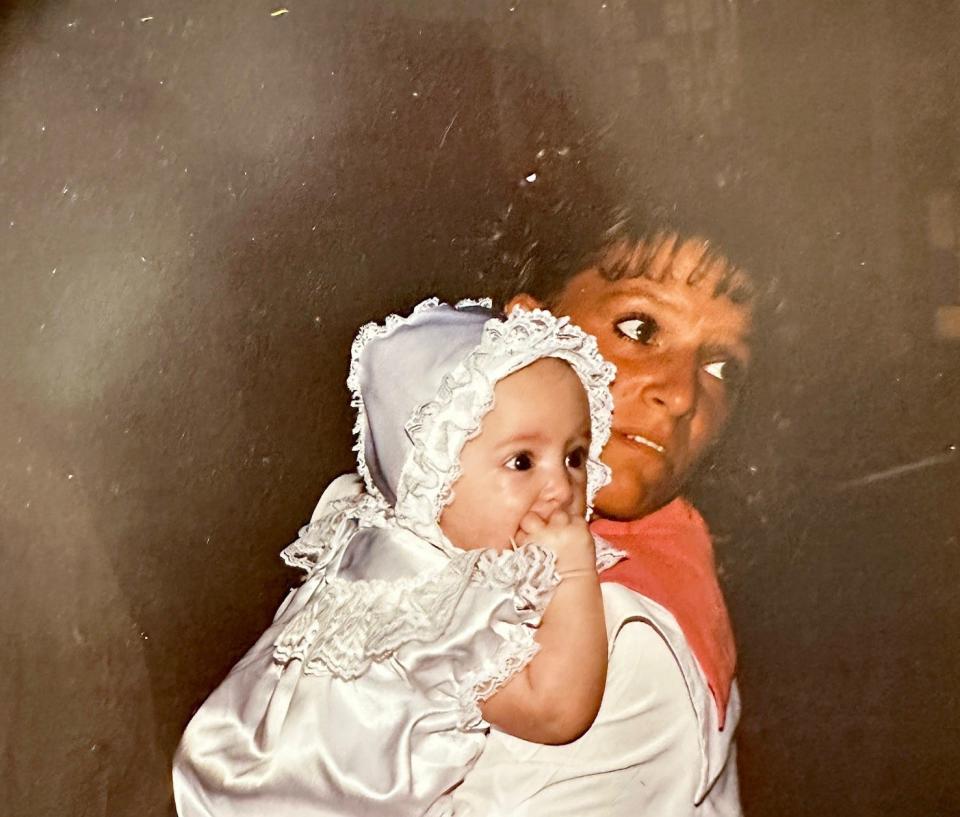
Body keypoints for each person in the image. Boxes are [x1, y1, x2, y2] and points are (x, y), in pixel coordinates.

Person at [172, 299, 623, 817]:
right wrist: (574, 572)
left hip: (235, 782)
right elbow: (556, 713)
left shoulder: (371, 540)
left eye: (575, 456)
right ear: (430, 478)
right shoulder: (445, 604)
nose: (560, 486)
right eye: (521, 461)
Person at [451, 152, 756, 815]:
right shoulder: (436, 528)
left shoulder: (616, 636)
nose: (680, 394)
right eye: (640, 329)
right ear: (529, 329)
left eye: (721, 366)